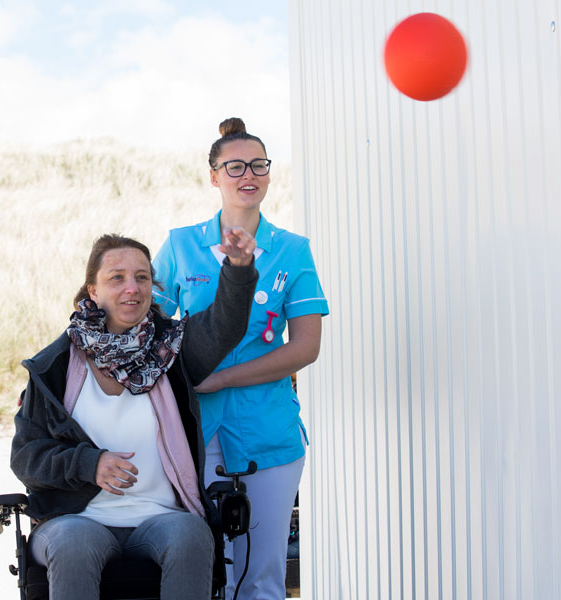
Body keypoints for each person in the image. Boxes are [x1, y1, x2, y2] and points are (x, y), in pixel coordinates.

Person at [10, 231, 259, 600]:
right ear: (92, 291)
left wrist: (238, 268)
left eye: (142, 277)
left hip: (160, 516)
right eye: (117, 278)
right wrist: (87, 464)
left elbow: (224, 327)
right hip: (75, 520)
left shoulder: (172, 350)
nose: (132, 287)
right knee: (74, 542)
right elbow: (25, 457)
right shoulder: (54, 368)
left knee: (192, 534)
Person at [152, 117, 329, 600]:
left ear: (269, 174)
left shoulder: (293, 252)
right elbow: (151, 330)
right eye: (234, 167)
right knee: (209, 574)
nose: (247, 175)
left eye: (258, 165)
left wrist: (226, 377)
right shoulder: (180, 245)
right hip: (193, 433)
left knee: (263, 576)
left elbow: (305, 347)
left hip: (268, 436)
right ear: (214, 176)